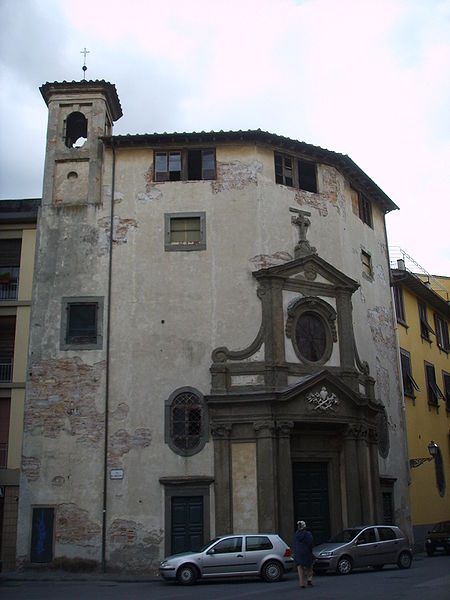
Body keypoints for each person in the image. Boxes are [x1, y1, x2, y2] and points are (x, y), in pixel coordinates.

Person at [294, 520, 314, 588]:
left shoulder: (296, 534)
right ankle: (309, 579)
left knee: (300, 568)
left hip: (298, 553)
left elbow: (295, 544)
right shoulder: (308, 534)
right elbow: (310, 543)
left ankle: (301, 583)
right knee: (309, 567)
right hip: (306, 552)